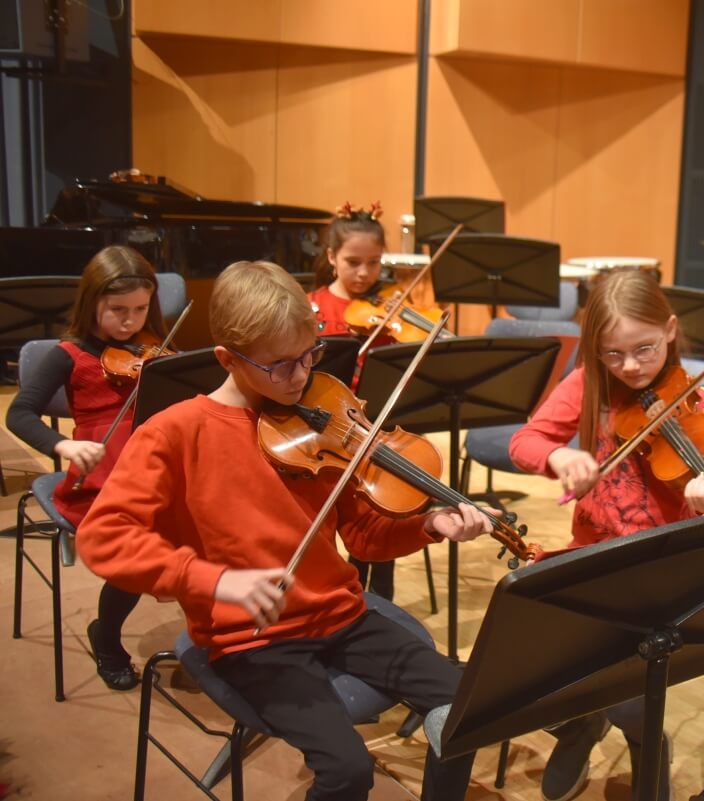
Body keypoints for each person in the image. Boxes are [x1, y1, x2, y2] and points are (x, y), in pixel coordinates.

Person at [77, 260, 487, 801]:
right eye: (279, 366)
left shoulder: (320, 419)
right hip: (251, 640)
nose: (300, 378)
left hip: (343, 616)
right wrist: (213, 580)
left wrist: (429, 524)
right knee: (347, 772)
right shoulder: (176, 433)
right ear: (227, 358)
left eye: (309, 356)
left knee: (470, 707)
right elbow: (102, 536)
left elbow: (362, 536)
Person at [509, 269, 704, 801]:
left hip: (661, 572)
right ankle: (592, 724)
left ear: (672, 329)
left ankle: (626, 733)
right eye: (613, 353)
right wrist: (559, 454)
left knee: (619, 660)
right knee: (531, 644)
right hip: (591, 553)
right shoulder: (590, 384)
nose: (629, 366)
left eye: (644, 349)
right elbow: (525, 441)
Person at [5, 245, 167, 691]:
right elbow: (18, 414)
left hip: (157, 460)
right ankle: (107, 637)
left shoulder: (152, 348)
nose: (131, 321)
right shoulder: (68, 353)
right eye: (118, 310)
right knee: (136, 546)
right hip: (101, 470)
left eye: (140, 308)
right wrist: (62, 446)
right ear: (91, 301)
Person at [307, 201, 397, 600]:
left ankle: (382, 596)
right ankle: (341, 593)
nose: (364, 273)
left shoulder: (388, 310)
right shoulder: (311, 308)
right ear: (331, 257)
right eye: (353, 262)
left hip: (375, 428)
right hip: (324, 430)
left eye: (374, 263)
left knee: (386, 503)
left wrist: (398, 327)